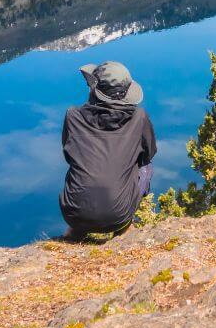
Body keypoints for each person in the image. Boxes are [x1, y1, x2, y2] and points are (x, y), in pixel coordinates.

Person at [59, 61, 157, 236]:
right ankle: (124, 227)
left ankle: (76, 231)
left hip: (73, 214)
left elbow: (70, 155)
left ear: (95, 91)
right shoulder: (139, 118)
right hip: (118, 216)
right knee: (146, 167)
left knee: (80, 165)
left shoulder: (72, 116)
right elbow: (148, 155)